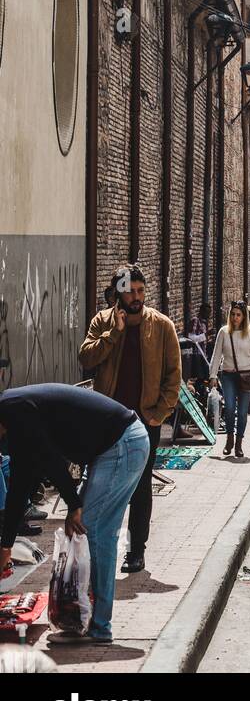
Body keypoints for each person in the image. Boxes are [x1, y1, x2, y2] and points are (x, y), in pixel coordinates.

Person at [0, 384, 150, 644]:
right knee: (82, 531)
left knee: (92, 531)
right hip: (113, 448)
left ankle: (100, 628)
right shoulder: (14, 421)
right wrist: (6, 546)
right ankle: (81, 617)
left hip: (122, 444)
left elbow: (50, 459)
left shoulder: (14, 409)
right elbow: (20, 485)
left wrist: (74, 504)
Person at [78, 264, 181, 575]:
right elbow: (86, 358)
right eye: (129, 291)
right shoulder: (103, 322)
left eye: (140, 290)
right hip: (107, 421)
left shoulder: (161, 326)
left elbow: (173, 377)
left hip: (143, 423)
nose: (136, 297)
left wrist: (157, 415)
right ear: (118, 294)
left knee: (140, 487)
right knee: (99, 485)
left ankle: (136, 551)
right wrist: (113, 335)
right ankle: (98, 547)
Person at [209, 300, 250, 458]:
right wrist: (213, 375)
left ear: (244, 316)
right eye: (232, 314)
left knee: (242, 412)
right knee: (229, 407)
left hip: (247, 375)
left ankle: (239, 443)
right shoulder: (223, 332)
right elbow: (216, 355)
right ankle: (229, 439)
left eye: (238, 315)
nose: (235, 318)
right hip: (228, 375)